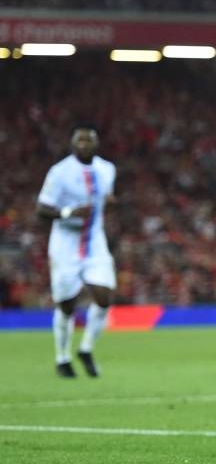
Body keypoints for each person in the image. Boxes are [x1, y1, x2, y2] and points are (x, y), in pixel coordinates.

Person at [36, 126, 118, 378]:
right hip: (65, 245)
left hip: (94, 242)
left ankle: (86, 349)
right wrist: (68, 212)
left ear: (96, 143)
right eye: (79, 139)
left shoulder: (107, 169)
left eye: (88, 139)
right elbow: (42, 209)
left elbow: (105, 196)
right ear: (72, 144)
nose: (84, 143)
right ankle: (62, 358)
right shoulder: (59, 172)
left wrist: (109, 202)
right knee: (67, 304)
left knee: (104, 296)